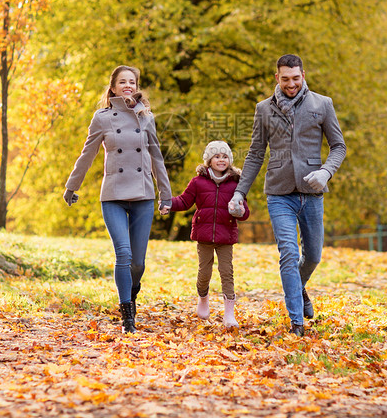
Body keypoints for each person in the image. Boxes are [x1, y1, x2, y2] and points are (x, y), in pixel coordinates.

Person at [228, 54, 346, 336]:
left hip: (312, 191)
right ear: (277, 78)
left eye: (295, 78)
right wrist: (239, 193)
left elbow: (338, 146)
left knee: (313, 256)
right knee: (288, 254)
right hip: (279, 192)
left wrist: (326, 172)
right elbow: (256, 154)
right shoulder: (264, 109)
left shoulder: (322, 104)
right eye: (285, 79)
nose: (291, 84)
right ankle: (297, 323)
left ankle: (298, 287)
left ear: (303, 75)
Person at [62, 65, 172, 334]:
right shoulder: (102, 118)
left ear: (136, 87)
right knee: (123, 253)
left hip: (143, 194)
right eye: (122, 82)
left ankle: (132, 295)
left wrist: (165, 194)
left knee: (138, 263)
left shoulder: (147, 117)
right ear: (112, 88)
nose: (127, 85)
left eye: (131, 82)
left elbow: (157, 157)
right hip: (113, 195)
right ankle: (127, 315)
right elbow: (87, 154)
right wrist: (71, 186)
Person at [166, 140, 250, 329]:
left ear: (230, 160)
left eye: (225, 156)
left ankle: (229, 314)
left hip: (226, 236)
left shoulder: (236, 183)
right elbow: (184, 201)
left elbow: (245, 212)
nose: (221, 160)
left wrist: (239, 211)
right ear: (209, 160)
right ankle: (203, 299)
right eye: (217, 156)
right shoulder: (198, 182)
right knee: (204, 273)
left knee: (227, 272)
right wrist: (168, 203)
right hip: (204, 236)